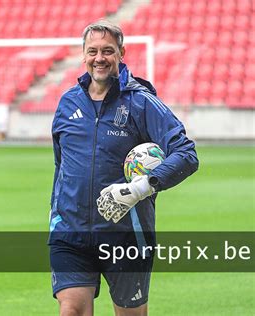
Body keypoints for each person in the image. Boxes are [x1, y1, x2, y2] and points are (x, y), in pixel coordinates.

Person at [49, 20, 198, 316]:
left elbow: (186, 154)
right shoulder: (67, 103)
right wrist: (56, 216)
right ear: (83, 55)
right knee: (72, 311)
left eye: (108, 51)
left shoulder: (141, 103)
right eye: (92, 51)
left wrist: (139, 188)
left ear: (121, 53)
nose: (99, 58)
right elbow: (60, 167)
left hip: (126, 235)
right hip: (71, 232)